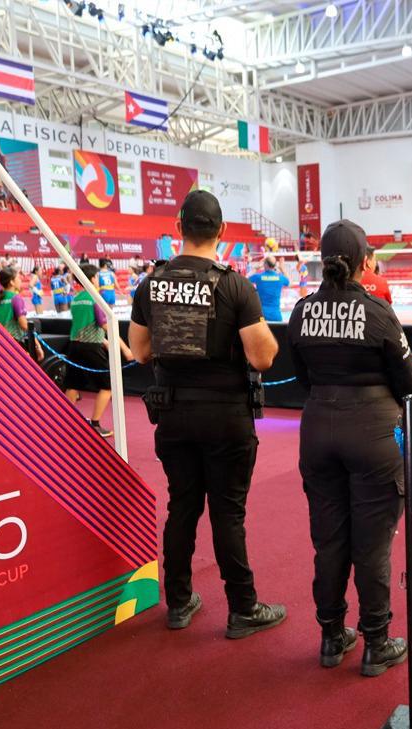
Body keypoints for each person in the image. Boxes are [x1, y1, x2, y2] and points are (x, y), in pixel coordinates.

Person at [128, 190, 286, 639]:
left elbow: (140, 351)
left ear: (179, 228)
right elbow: (262, 358)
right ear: (222, 231)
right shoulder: (234, 286)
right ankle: (243, 608)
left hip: (173, 415)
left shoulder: (151, 284)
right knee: (227, 512)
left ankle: (178, 603)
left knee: (182, 506)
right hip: (225, 417)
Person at [287, 220, 412, 674]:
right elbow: (410, 382)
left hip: (318, 429)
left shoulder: (302, 311)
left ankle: (331, 637)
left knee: (329, 541)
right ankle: (376, 642)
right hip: (373, 433)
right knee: (372, 545)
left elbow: (301, 377)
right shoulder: (378, 312)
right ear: (366, 263)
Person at [63, 265, 133, 438]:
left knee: (73, 385)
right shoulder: (95, 298)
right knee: (107, 386)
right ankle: (95, 424)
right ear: (93, 278)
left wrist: (105, 342)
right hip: (91, 348)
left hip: (74, 345)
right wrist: (125, 349)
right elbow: (105, 325)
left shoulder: (76, 299)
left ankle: (64, 424)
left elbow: (85, 325)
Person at [0, 267, 43, 361]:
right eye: (18, 277)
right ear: (12, 282)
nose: (20, 280)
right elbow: (24, 325)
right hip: (14, 344)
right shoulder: (16, 298)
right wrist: (37, 345)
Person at [247, 256, 290, 321]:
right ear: (275, 265)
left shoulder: (258, 277)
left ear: (265, 264)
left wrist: (255, 268)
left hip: (262, 315)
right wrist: (282, 268)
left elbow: (243, 280)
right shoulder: (280, 278)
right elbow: (289, 282)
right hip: (276, 316)